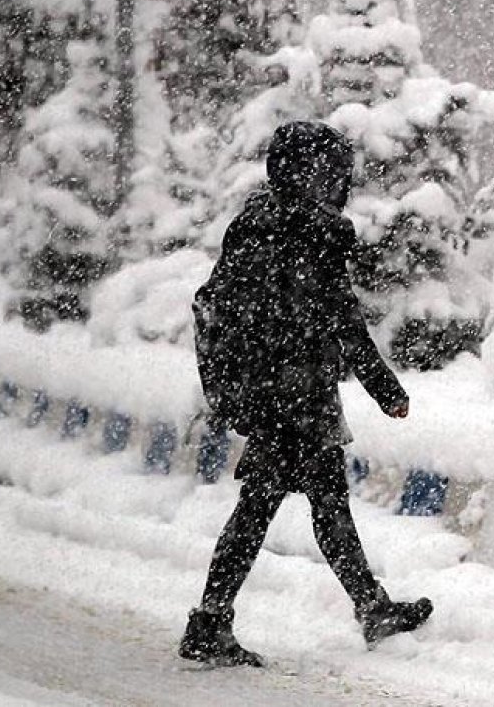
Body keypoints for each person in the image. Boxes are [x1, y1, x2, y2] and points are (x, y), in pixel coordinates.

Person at [180, 121, 432, 668]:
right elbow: (344, 320)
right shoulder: (308, 234)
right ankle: (212, 620)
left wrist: (243, 385)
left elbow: (233, 307)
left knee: (306, 502)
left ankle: (366, 607)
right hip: (293, 397)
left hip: (271, 393)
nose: (339, 184)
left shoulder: (255, 225)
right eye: (333, 173)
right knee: (283, 507)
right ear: (309, 174)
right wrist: (386, 388)